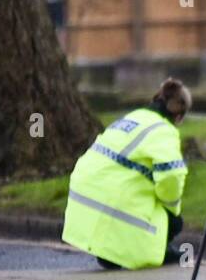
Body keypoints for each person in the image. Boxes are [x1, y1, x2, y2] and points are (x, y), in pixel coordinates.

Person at [62, 78, 191, 269]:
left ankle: (110, 251)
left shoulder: (134, 116)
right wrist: (173, 209)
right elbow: (171, 178)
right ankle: (158, 249)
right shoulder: (165, 131)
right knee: (174, 221)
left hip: (82, 194)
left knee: (132, 188)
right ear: (179, 116)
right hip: (111, 200)